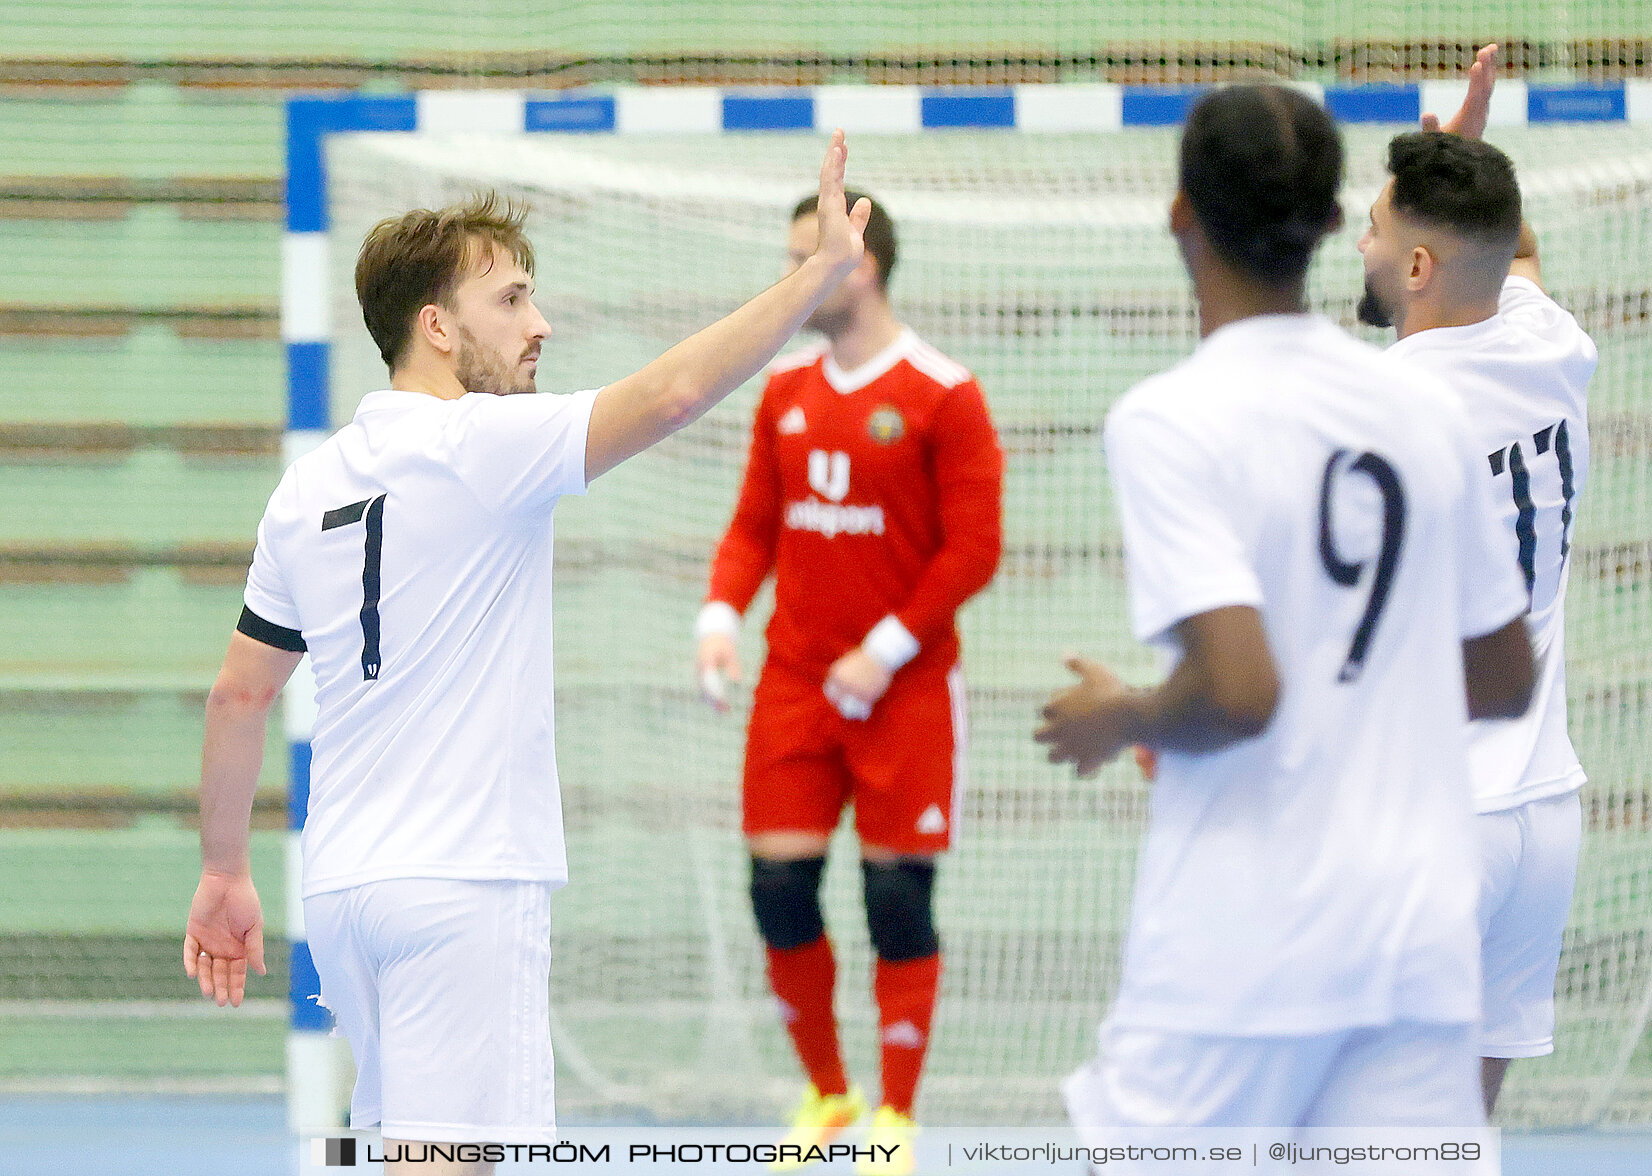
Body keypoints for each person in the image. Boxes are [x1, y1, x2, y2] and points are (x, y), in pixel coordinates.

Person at [183, 134, 870, 1176]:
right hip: (463, 885)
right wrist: (816, 276)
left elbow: (238, 697)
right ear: (437, 329)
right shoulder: (481, 447)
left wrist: (224, 868)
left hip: (347, 897)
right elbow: (677, 394)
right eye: (510, 301)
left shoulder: (305, 488)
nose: (540, 324)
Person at [1034, 84, 1536, 1164]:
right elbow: (1503, 679)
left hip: (1242, 947)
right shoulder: (1421, 407)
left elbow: (1239, 692)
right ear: (1324, 224)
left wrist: (1121, 715)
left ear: (1183, 214)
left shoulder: (1170, 420)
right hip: (1412, 938)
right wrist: (1361, 696)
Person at [694, 190, 1004, 1176]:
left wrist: (888, 647)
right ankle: (830, 1095)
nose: (791, 279)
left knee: (895, 901)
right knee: (779, 888)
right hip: (794, 683)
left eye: (806, 259)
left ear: (859, 264)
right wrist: (718, 614)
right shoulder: (783, 393)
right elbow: (754, 529)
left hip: (902, 692)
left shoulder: (942, 391)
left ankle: (896, 1119)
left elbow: (975, 551)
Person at [1357, 44, 1598, 1116]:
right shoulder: (1553, 340)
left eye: (1373, 228)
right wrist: (1464, 152)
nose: (1359, 242)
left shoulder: (1384, 412)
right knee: (1457, 1127)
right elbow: (1508, 247)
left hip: (1437, 807)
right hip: (1545, 809)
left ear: (1415, 268)